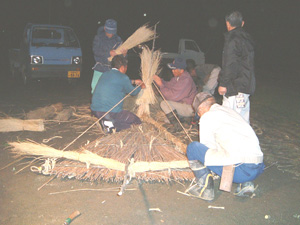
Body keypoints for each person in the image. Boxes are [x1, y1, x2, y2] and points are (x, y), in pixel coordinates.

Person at [186, 92, 264, 201]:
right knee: (234, 149)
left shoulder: (206, 117)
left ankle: (205, 189)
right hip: (258, 166)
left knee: (193, 148)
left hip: (241, 169)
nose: (199, 117)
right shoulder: (230, 111)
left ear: (200, 110)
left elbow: (208, 148)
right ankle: (245, 184)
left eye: (198, 114)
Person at [91, 55, 145, 133]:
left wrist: (133, 81)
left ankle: (107, 123)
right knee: (136, 122)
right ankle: (111, 126)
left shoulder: (105, 74)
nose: (126, 69)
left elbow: (117, 82)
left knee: (121, 122)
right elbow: (133, 92)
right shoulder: (123, 77)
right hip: (111, 112)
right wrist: (141, 86)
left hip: (96, 111)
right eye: (126, 67)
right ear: (123, 67)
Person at [218, 11, 256, 123]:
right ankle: (246, 139)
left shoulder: (232, 40)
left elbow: (230, 63)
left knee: (229, 118)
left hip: (235, 87)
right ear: (242, 23)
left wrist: (223, 83)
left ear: (227, 23)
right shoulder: (248, 39)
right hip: (245, 85)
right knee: (242, 118)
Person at [153, 57, 197, 132]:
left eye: (174, 69)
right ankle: (183, 119)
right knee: (166, 119)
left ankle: (178, 126)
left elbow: (172, 96)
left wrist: (161, 85)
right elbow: (168, 85)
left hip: (189, 108)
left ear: (181, 70)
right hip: (182, 104)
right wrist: (161, 81)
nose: (172, 71)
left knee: (164, 104)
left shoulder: (185, 80)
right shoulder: (177, 78)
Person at [91, 19, 127, 94]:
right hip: (100, 67)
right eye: (109, 32)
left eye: (112, 32)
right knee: (95, 87)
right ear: (104, 28)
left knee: (111, 89)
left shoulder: (118, 40)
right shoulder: (98, 38)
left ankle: (109, 105)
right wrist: (108, 53)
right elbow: (96, 52)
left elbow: (121, 58)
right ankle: (95, 104)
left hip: (112, 68)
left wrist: (124, 54)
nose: (111, 34)